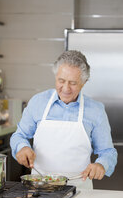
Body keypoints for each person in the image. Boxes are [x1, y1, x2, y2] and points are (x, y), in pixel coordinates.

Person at [10, 50, 117, 189]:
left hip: (79, 189)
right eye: (61, 81)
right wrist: (22, 147)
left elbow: (108, 151)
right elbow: (19, 135)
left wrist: (101, 165)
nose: (65, 88)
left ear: (84, 82)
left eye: (73, 83)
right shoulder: (38, 102)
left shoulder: (95, 110)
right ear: (56, 77)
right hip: (39, 187)